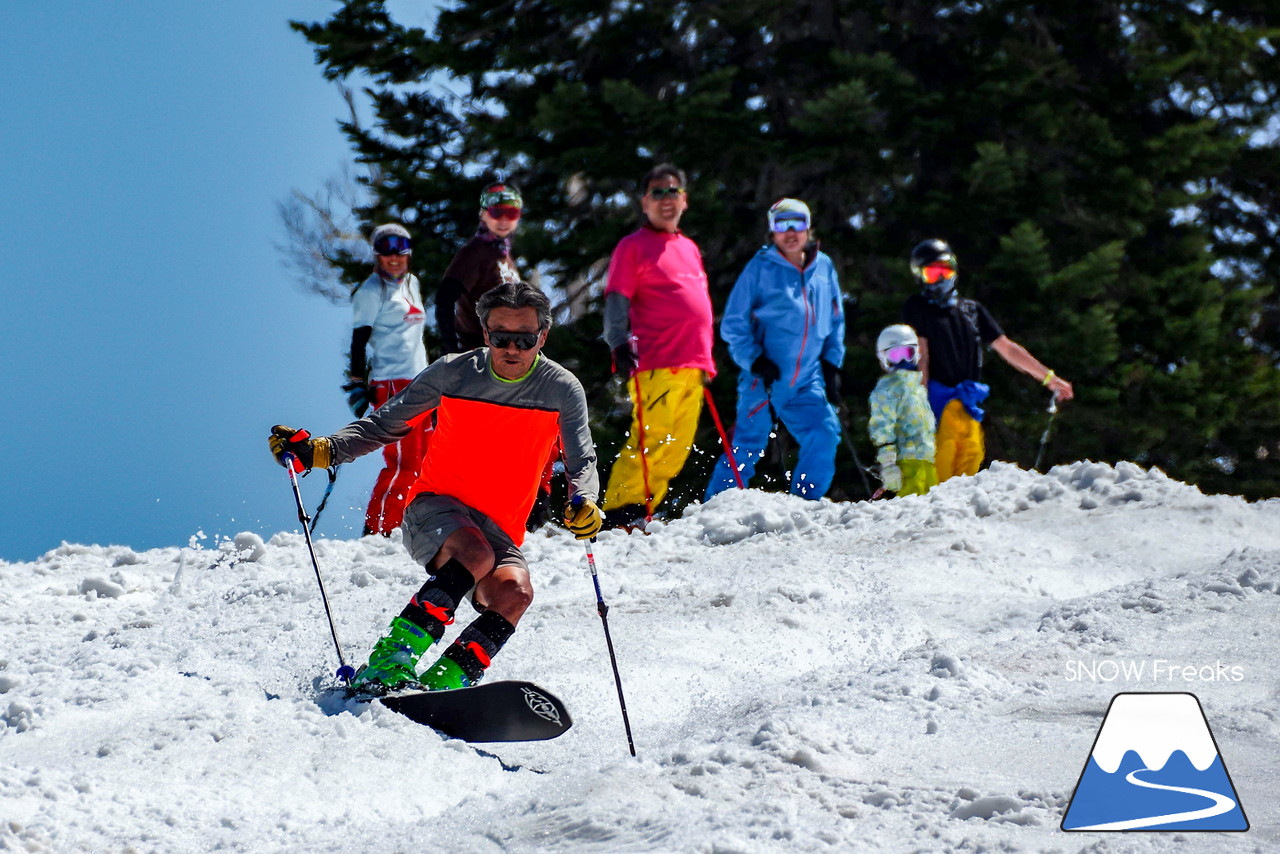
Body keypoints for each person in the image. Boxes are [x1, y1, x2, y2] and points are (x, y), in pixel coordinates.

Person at [268, 282, 602, 695]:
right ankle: (388, 664)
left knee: (514, 594)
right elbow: (385, 423)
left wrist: (584, 500)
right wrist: (323, 451)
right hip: (436, 508)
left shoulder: (561, 388)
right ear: (485, 334)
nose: (511, 348)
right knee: (473, 553)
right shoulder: (453, 371)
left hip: (500, 528)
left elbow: (581, 458)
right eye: (500, 337)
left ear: (543, 337)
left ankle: (444, 684)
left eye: (524, 339)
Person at [704, 199, 847, 501]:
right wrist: (754, 360)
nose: (791, 232)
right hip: (764, 379)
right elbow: (733, 324)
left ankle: (805, 504)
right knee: (748, 444)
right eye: (783, 225)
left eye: (798, 223)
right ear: (772, 232)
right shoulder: (760, 268)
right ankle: (714, 509)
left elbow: (835, 320)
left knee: (824, 434)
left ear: (809, 228)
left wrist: (832, 365)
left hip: (808, 379)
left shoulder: (824, 268)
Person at [600, 163, 716, 529]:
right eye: (658, 193)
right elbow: (617, 297)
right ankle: (619, 510)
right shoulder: (633, 246)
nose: (666, 200)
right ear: (644, 202)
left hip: (693, 364)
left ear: (685, 200)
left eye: (673, 192)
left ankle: (645, 510)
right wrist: (617, 341)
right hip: (656, 362)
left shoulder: (689, 248)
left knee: (677, 446)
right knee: (651, 440)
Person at [902, 238, 1075, 482]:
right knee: (943, 456)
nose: (941, 279)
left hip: (969, 400)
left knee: (971, 455)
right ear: (919, 277)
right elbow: (922, 355)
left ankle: (955, 513)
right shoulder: (917, 307)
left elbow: (1007, 348)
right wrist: (918, 406)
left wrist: (1048, 377)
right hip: (938, 398)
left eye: (946, 270)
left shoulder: (972, 309)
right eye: (933, 273)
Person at [342, 223, 431, 536]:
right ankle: (379, 529)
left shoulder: (412, 283)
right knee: (403, 461)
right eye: (386, 248)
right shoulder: (370, 291)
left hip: (422, 380)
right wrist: (357, 380)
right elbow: (358, 339)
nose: (394, 255)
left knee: (428, 458)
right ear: (377, 254)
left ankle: (415, 522)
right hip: (393, 382)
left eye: (401, 247)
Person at [435, 182, 524, 355]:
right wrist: (450, 347)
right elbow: (445, 297)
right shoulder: (475, 252)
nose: (504, 220)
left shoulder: (504, 255)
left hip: (505, 352)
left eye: (511, 213)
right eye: (497, 213)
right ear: (483, 214)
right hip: (477, 353)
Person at [868, 324, 937, 497]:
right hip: (906, 460)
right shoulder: (887, 389)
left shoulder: (918, 386)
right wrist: (888, 464)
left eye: (907, 353)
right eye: (895, 355)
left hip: (928, 458)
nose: (902, 361)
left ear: (916, 353)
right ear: (884, 358)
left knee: (935, 507)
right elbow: (882, 426)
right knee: (913, 507)